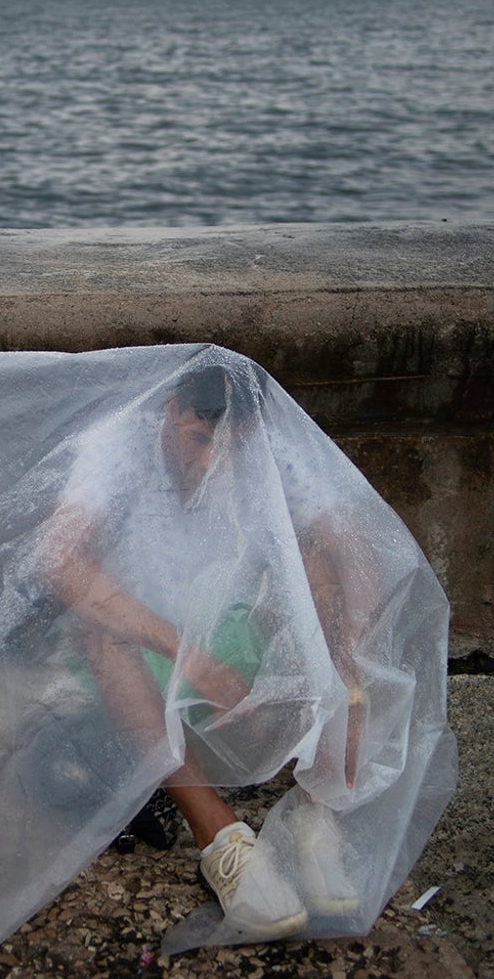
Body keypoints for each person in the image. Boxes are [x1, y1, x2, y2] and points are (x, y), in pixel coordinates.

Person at [41, 365, 376, 939]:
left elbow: (352, 546)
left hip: (231, 635)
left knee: (320, 564)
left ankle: (315, 813)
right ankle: (220, 838)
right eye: (198, 440)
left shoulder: (267, 442)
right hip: (141, 654)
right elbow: (59, 560)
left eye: (228, 448)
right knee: (98, 628)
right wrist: (188, 657)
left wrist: (349, 664)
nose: (209, 464)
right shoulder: (117, 444)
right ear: (170, 410)